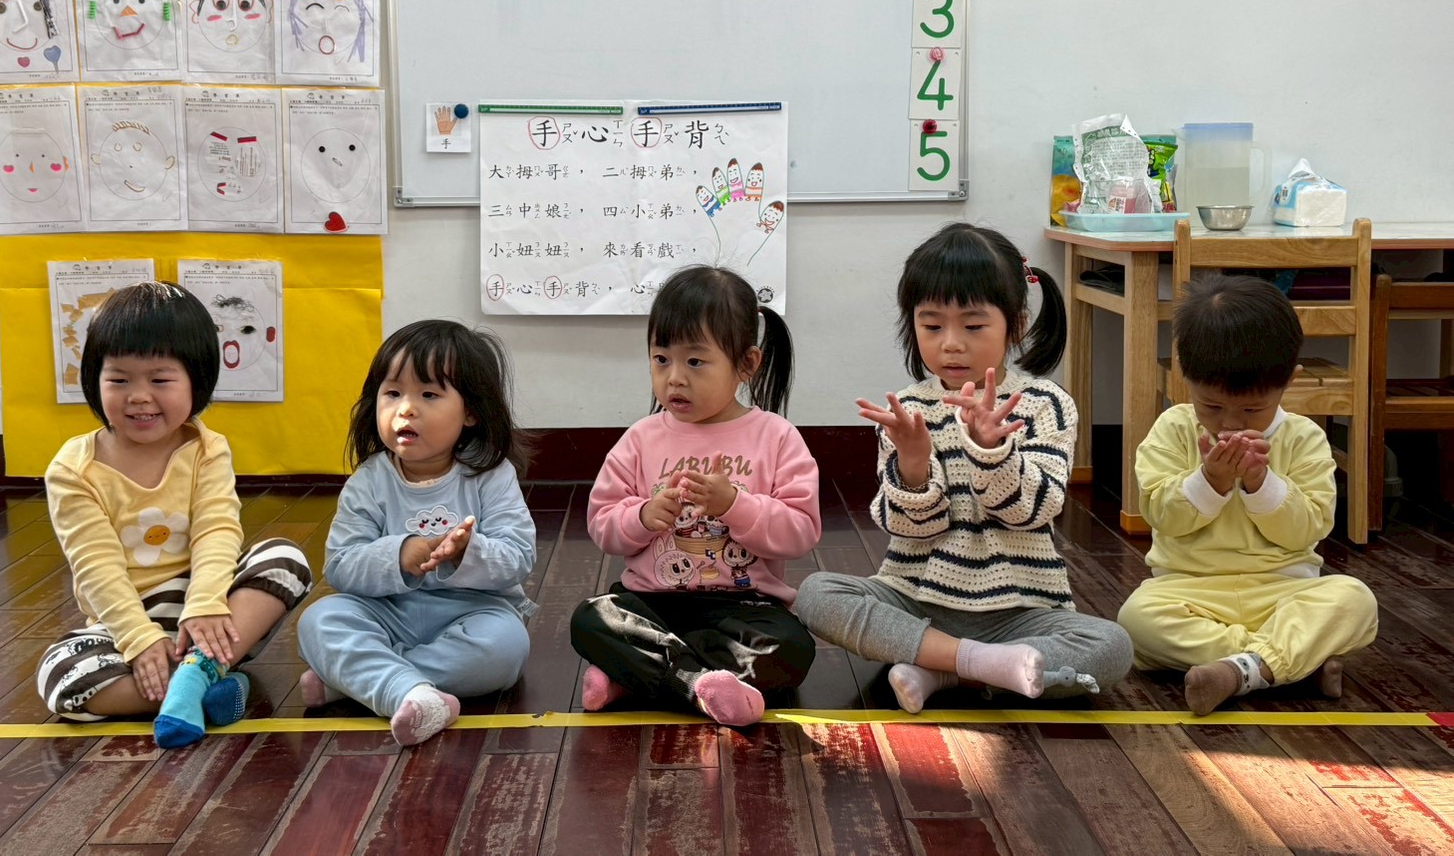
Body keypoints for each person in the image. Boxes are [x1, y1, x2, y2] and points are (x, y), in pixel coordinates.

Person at [794, 223, 1133, 713]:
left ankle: (942, 670)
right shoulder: (908, 410)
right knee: (816, 593)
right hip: (916, 600)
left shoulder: (1045, 403)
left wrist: (991, 452)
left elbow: (1034, 511)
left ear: (1016, 324)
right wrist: (912, 465)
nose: (951, 343)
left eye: (973, 327)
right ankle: (979, 667)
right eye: (932, 326)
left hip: (1020, 611)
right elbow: (910, 528)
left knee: (1111, 647)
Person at [35, 281, 312, 747]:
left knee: (284, 558)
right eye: (119, 380)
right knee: (59, 676)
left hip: (210, 613)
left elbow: (216, 530)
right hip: (123, 622)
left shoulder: (206, 449)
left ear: (197, 380)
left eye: (160, 381)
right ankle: (200, 688)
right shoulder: (72, 469)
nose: (138, 396)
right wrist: (139, 639)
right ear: (93, 380)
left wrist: (205, 604)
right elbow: (96, 567)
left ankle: (193, 673)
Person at [570, 266, 821, 727]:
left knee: (790, 650)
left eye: (695, 362)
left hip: (744, 609)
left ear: (747, 364)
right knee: (593, 617)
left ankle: (641, 673)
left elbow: (801, 533)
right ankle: (698, 683)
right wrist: (643, 516)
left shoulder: (776, 436)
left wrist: (735, 506)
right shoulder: (641, 438)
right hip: (652, 604)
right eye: (661, 359)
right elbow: (602, 525)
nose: (675, 378)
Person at [1117, 273, 1378, 715]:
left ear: (1289, 381)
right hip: (1189, 589)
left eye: (1253, 409)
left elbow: (1308, 530)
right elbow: (1163, 516)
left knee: (1355, 599)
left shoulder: (1304, 438)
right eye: (1212, 406)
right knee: (1136, 619)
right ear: (1184, 373)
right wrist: (1210, 482)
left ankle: (1239, 669)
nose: (1231, 423)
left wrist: (1262, 483)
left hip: (1283, 592)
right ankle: (1281, 664)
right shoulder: (1173, 429)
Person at [296, 320, 536, 746]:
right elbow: (341, 565)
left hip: (473, 611)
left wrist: (467, 552)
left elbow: (519, 556)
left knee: (506, 647)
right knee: (318, 620)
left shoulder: (490, 475)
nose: (406, 409)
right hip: (387, 612)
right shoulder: (369, 480)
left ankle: (369, 681)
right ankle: (404, 689)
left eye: (428, 395)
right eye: (392, 393)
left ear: (471, 412)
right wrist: (399, 554)